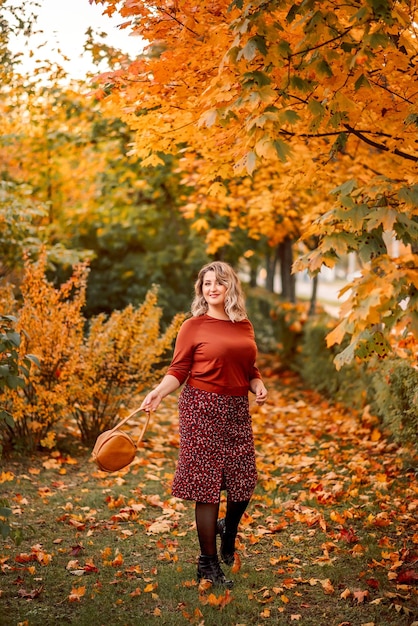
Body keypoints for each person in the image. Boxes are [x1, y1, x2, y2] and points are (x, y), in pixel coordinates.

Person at [140, 261, 267, 588]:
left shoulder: (244, 325)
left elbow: (249, 367)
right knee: (208, 486)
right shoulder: (193, 326)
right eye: (206, 283)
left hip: (237, 409)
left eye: (218, 283)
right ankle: (207, 564)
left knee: (244, 479)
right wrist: (158, 392)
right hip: (201, 408)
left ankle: (229, 528)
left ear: (230, 288)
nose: (211, 288)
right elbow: (178, 369)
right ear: (201, 289)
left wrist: (257, 384)